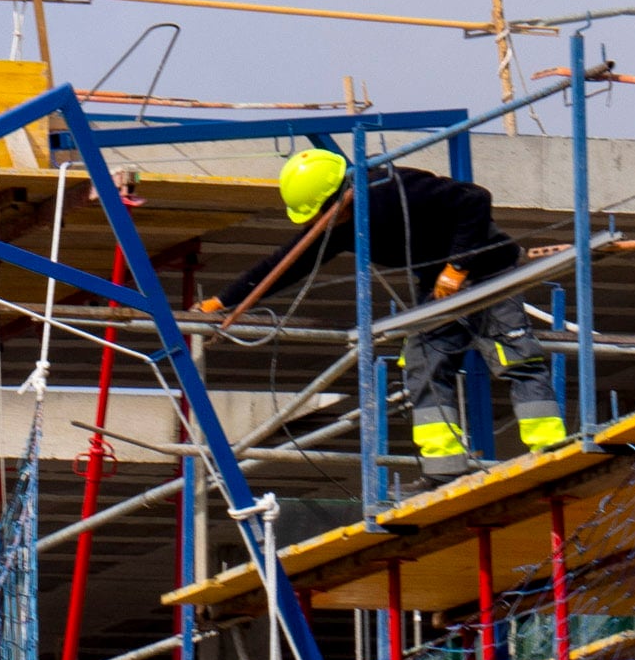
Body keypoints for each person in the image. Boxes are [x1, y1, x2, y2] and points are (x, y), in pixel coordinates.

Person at [210, 148, 566, 476]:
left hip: (490, 273)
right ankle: (444, 467)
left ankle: (550, 450)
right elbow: (286, 263)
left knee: (514, 355)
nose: (316, 223)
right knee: (423, 362)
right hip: (438, 290)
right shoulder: (340, 226)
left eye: (317, 214)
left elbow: (475, 199)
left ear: (337, 199)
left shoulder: (394, 190)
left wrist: (458, 265)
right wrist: (224, 302)